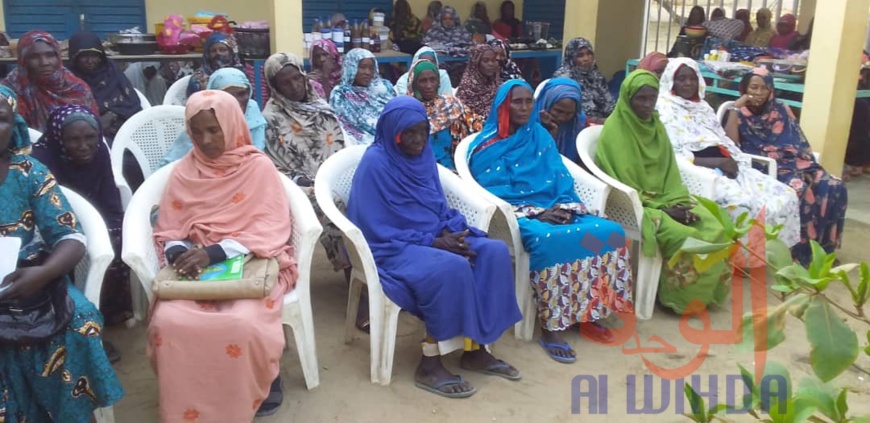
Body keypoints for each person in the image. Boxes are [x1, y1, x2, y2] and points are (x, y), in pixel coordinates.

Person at [346, 96, 522, 398]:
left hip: (430, 234)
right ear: (391, 133)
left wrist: (448, 232)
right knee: (449, 267)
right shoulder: (376, 164)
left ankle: (476, 348)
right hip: (391, 247)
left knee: (491, 253)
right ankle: (430, 363)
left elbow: (433, 206)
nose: (417, 140)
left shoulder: (423, 155)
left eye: (422, 131)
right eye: (408, 133)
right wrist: (433, 242)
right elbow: (374, 228)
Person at [149, 90, 297, 420]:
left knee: (242, 323)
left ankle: (249, 393)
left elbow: (272, 227)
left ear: (231, 125)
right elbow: (170, 226)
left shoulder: (257, 167)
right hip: (194, 267)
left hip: (249, 261)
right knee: (168, 322)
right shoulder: (186, 169)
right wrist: (178, 254)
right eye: (197, 131)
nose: (205, 140)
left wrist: (213, 253)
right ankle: (187, 407)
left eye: (214, 130)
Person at [468, 80, 633, 363]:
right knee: (551, 239)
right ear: (503, 106)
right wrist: (537, 212)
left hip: (555, 205)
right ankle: (551, 326)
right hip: (519, 215)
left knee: (609, 232)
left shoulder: (540, 136)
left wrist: (565, 206)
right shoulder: (487, 145)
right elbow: (492, 190)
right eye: (516, 102)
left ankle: (589, 312)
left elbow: (559, 177)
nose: (523, 107)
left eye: (528, 101)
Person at [0, 85, 124, 422]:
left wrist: (42, 274)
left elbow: (70, 236)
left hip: (28, 280)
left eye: (0, 119)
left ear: (14, 125)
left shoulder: (29, 173)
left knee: (80, 321)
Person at [595, 70, 733, 314]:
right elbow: (624, 183)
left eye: (652, 98)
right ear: (627, 98)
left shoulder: (656, 126)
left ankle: (703, 296)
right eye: (641, 99)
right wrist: (664, 210)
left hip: (670, 197)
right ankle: (679, 301)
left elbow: (670, 171)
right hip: (638, 205)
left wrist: (677, 202)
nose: (648, 105)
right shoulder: (615, 132)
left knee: (716, 227)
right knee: (684, 234)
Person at [655, 59, 801, 261]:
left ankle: (772, 255)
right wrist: (720, 163)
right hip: (698, 171)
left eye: (692, 78)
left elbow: (721, 139)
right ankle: (741, 261)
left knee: (786, 195)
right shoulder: (664, 109)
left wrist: (733, 161)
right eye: (681, 79)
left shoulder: (703, 107)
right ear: (671, 81)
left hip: (728, 165)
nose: (688, 83)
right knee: (744, 204)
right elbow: (673, 155)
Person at [31, 104, 134, 362]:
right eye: (73, 139)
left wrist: (112, 228)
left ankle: (107, 308)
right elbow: (39, 214)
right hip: (49, 229)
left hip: (93, 219)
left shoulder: (99, 153)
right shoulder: (41, 162)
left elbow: (111, 200)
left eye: (90, 137)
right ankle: (81, 327)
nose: (83, 146)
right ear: (58, 138)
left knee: (118, 238)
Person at [725, 69, 848, 265]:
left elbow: (797, 140)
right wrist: (734, 108)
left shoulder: (781, 109)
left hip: (795, 162)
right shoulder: (738, 113)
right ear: (744, 88)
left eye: (764, 88)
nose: (758, 93)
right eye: (753, 87)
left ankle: (825, 250)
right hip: (764, 167)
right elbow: (732, 145)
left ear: (771, 90)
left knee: (834, 186)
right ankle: (802, 253)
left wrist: (803, 167)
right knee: (802, 190)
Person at [261, 51, 347, 266]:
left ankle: (370, 270)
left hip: (332, 176)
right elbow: (276, 169)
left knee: (366, 195)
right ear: (275, 87)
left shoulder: (319, 106)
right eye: (285, 83)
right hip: (299, 186)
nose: (295, 86)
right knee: (334, 205)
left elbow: (339, 148)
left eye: (297, 78)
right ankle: (349, 266)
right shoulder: (271, 118)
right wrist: (316, 183)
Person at [159, 68, 267, 167]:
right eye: (227, 97)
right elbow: (170, 167)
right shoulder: (204, 120)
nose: (236, 102)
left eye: (241, 94)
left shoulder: (252, 112)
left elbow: (257, 151)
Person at [2, 31, 98, 131]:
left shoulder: (76, 88)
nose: (44, 63)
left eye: (50, 55)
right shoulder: (10, 90)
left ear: (58, 57)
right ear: (23, 60)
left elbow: (92, 129)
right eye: (34, 57)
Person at [406, 58, 481, 169]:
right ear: (414, 84)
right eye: (423, 81)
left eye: (433, 80)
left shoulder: (450, 104)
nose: (429, 85)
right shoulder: (406, 111)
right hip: (417, 170)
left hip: (451, 170)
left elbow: (477, 127)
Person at [68, 31, 142, 140]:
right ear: (74, 57)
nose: (90, 61)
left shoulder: (111, 71)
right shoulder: (69, 79)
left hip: (122, 130)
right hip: (83, 138)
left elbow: (132, 104)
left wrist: (112, 115)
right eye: (84, 56)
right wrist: (98, 123)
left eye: (94, 56)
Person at [329, 49, 396, 145]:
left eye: (371, 68)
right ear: (351, 67)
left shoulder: (384, 88)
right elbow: (343, 127)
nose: (367, 72)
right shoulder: (340, 94)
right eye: (362, 67)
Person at [187, 33, 268, 104]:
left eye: (223, 50)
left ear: (231, 52)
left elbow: (250, 100)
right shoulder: (199, 78)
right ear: (207, 54)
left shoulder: (241, 73)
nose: (218, 53)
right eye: (213, 51)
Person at [553, 38, 615, 124]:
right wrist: (600, 121)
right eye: (580, 55)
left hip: (602, 121)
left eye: (589, 54)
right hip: (576, 123)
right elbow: (567, 112)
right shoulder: (564, 78)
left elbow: (608, 102)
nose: (586, 58)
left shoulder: (595, 74)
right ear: (571, 58)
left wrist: (615, 117)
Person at [535, 78, 587, 162]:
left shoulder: (578, 123)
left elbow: (582, 160)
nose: (562, 118)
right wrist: (548, 131)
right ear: (547, 103)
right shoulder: (528, 121)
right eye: (558, 111)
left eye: (569, 113)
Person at [456, 44, 501, 120]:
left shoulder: (495, 83)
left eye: (493, 60)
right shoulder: (468, 87)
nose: (490, 64)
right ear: (476, 63)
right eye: (485, 61)